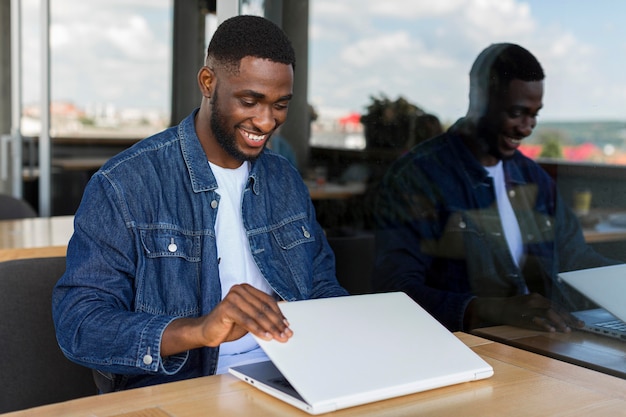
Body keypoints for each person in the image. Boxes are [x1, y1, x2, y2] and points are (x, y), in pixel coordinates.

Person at [52, 15, 348, 392]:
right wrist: (201, 330)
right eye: (249, 101)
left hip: (292, 374)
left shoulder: (284, 179)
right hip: (184, 387)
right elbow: (79, 325)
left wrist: (353, 331)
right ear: (208, 83)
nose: (266, 120)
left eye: (280, 105)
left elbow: (322, 288)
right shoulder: (126, 184)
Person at [373, 43, 619, 333]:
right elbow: (396, 291)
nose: (527, 128)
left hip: (545, 339)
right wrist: (491, 310)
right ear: (478, 99)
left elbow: (575, 257)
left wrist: (619, 281)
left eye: (534, 115)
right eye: (517, 113)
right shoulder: (416, 177)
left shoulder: (534, 179)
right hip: (467, 345)